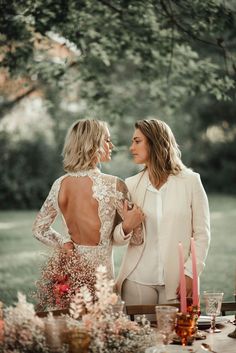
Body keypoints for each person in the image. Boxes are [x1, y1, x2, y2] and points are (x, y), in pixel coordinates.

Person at [32, 119, 144, 309]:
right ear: (93, 145)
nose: (112, 145)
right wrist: (129, 227)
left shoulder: (60, 184)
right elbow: (138, 237)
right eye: (107, 140)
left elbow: (39, 230)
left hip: (70, 274)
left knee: (73, 329)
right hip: (102, 277)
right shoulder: (114, 185)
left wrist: (64, 243)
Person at [116, 119, 210, 306]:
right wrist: (127, 226)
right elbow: (117, 237)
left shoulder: (191, 181)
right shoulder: (131, 185)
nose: (131, 147)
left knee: (178, 335)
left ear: (154, 142)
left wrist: (191, 273)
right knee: (141, 336)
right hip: (137, 280)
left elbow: (202, 234)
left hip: (178, 280)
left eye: (137, 141)